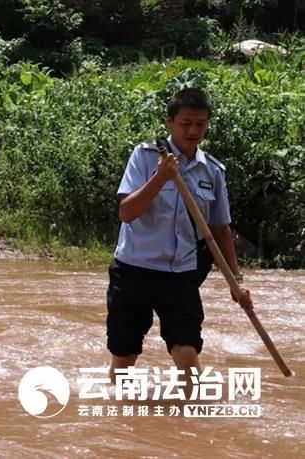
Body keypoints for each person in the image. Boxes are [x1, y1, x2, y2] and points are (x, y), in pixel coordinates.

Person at [106, 88, 253, 382]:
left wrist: (236, 282)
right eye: (186, 123)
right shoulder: (145, 157)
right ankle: (119, 419)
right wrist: (160, 177)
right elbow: (126, 213)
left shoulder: (211, 170)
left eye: (200, 124)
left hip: (179, 274)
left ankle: (193, 423)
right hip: (134, 268)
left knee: (187, 353)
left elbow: (220, 229)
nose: (193, 131)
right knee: (125, 357)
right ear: (170, 121)